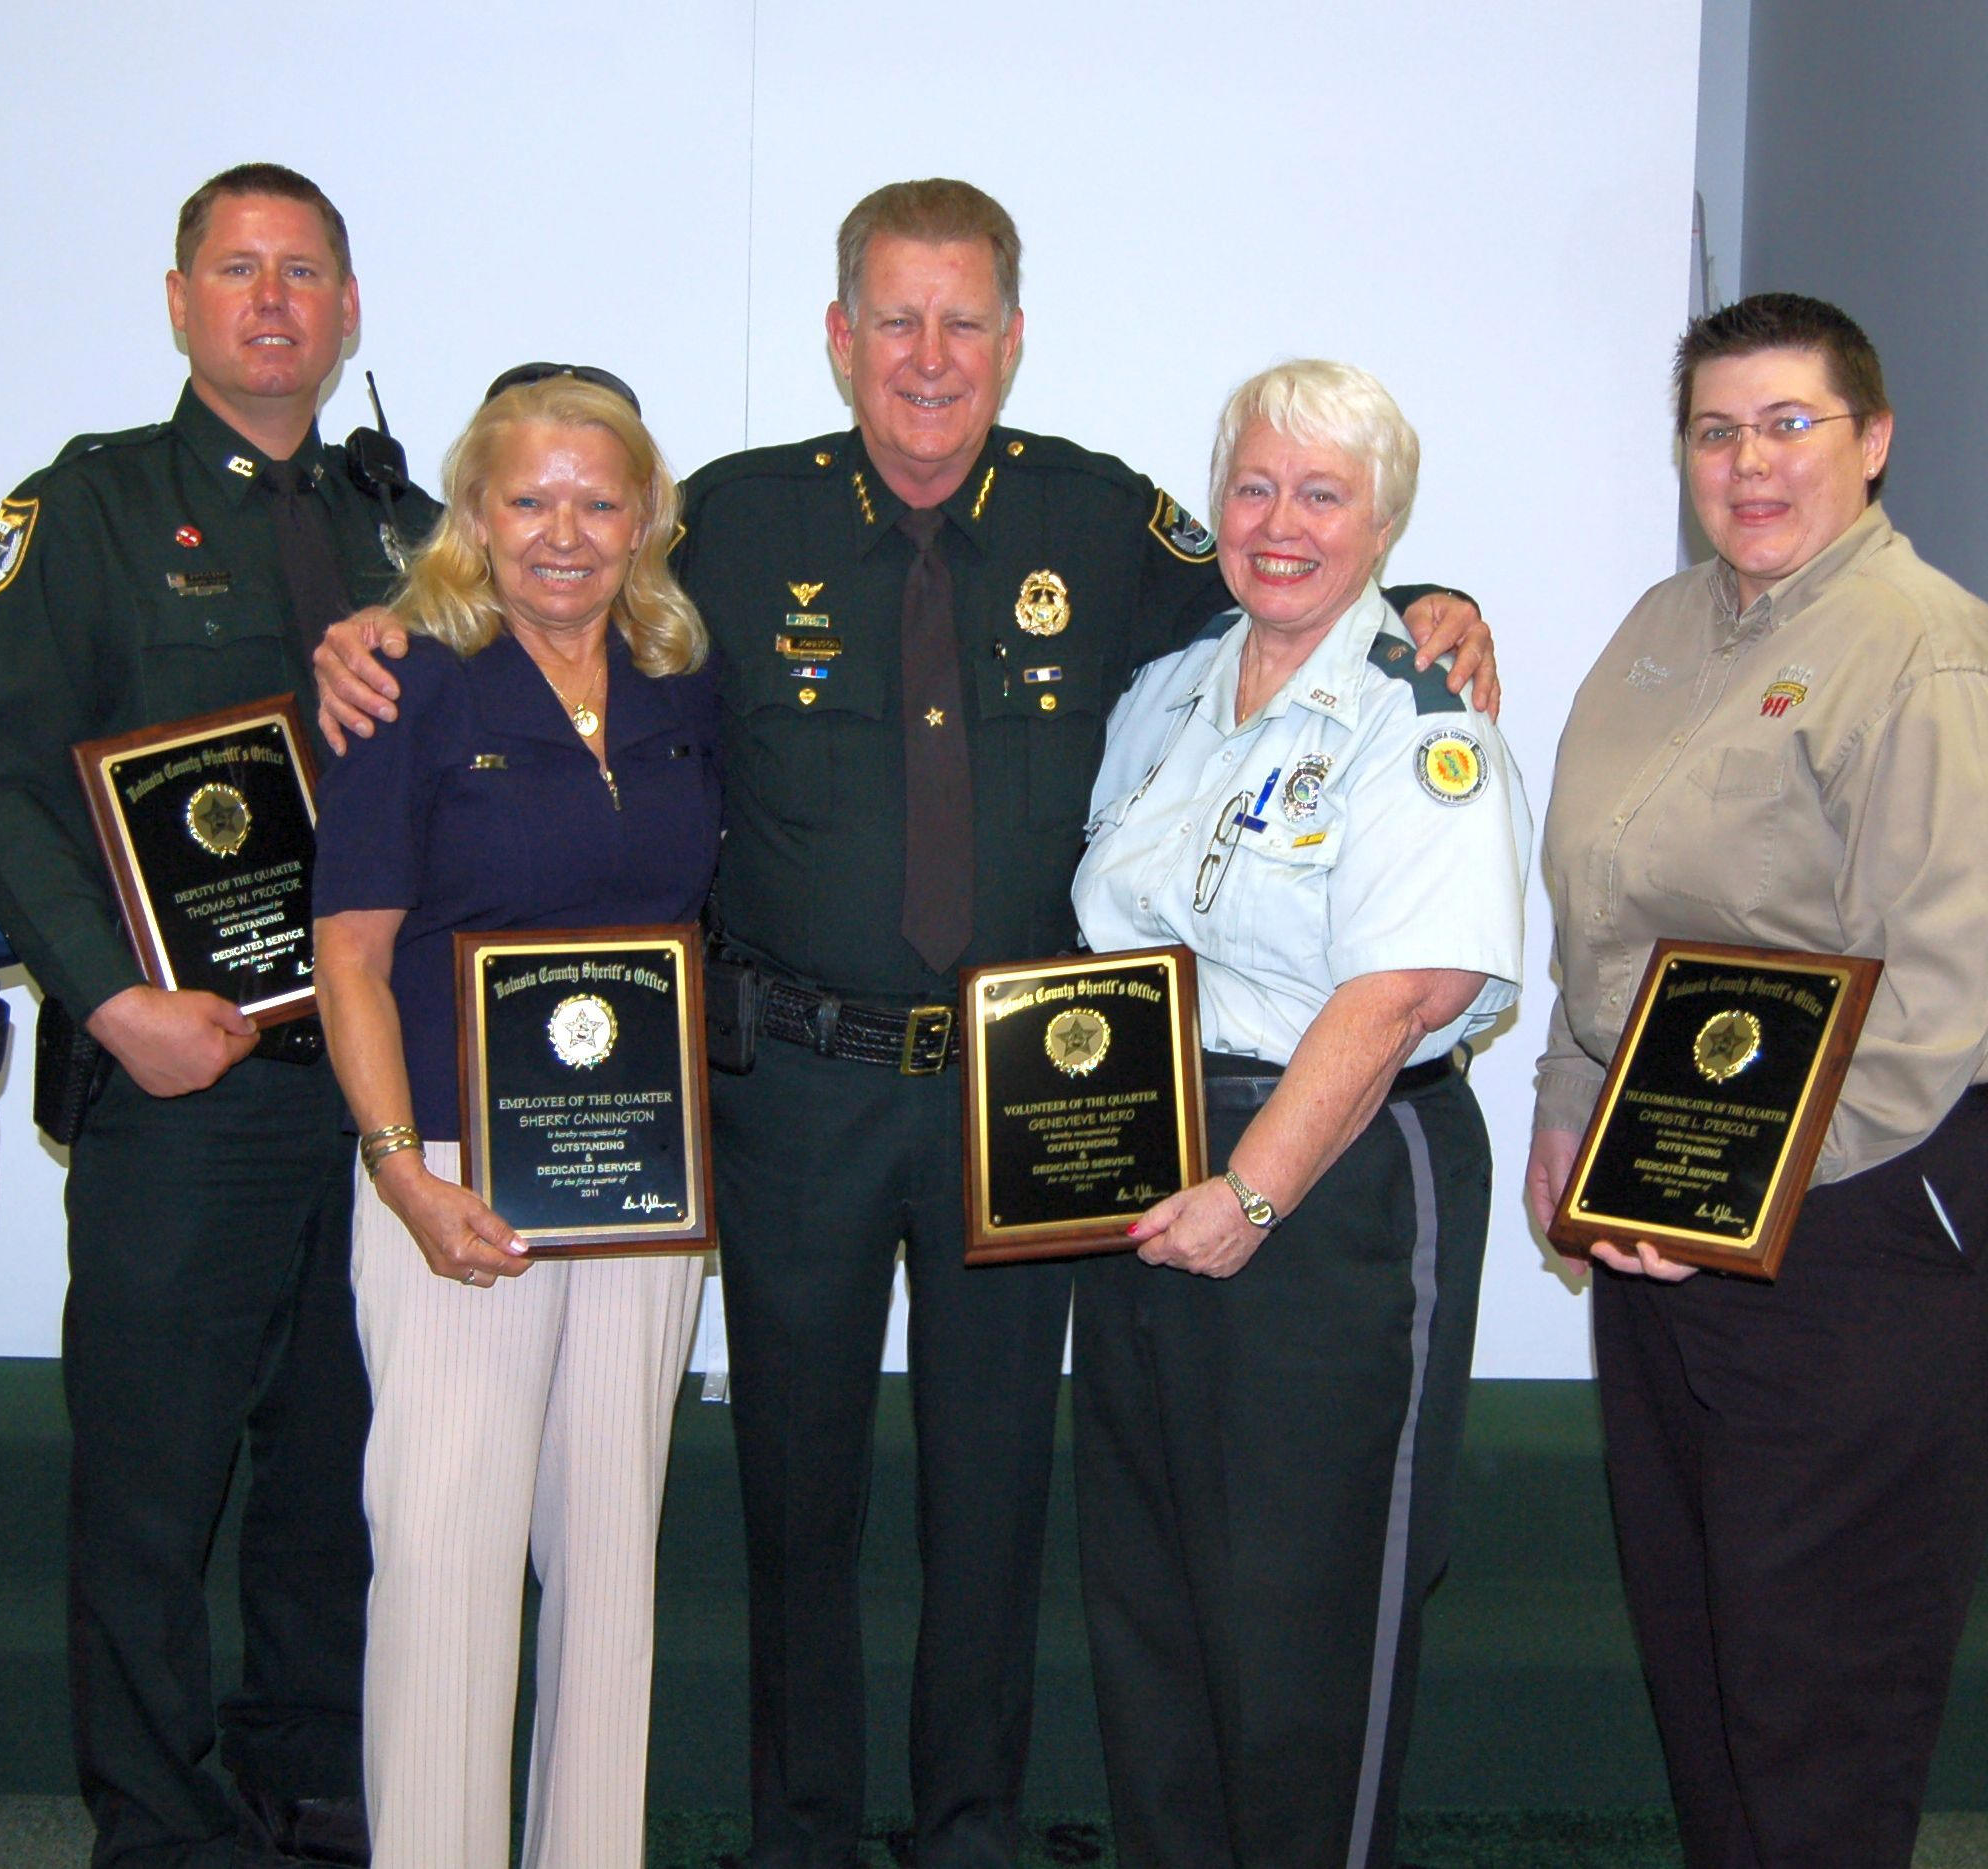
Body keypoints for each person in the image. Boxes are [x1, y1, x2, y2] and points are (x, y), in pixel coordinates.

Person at [315, 179, 1498, 1868]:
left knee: (994, 1478)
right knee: (794, 1479)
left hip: (1022, 1095)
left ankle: (969, 1822)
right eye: (893, 320)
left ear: (1011, 340)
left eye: (962, 323)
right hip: (789, 1078)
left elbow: (1289, 596)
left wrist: (1435, 601)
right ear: (836, 335)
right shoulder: (725, 523)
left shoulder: (1107, 523)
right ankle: (800, 1824)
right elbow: (544, 601)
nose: (926, 358)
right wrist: (376, 626)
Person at [1524, 293, 1988, 1868]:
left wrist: (1700, 1191)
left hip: (1885, 1195)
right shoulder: (1659, 627)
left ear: (1873, 442)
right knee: (1700, 1621)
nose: (1747, 462)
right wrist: (1572, 1117)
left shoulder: (1930, 658)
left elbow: (1935, 1016)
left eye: (1789, 424)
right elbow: (1602, 904)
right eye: (1715, 429)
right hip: (1680, 1170)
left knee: (1815, 1653)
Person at [0, 164, 439, 1869]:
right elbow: (1, 779)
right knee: (152, 1495)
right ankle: (155, 1827)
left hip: (363, 1095)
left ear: (350, 310)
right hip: (181, 1087)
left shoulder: (418, 532)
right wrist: (106, 995)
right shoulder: (83, 511)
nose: (273, 300)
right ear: (178, 303)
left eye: (305, 272)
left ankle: (307, 1789)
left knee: (328, 1477)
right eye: (237, 269)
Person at [1067, 359, 1528, 1867]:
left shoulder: (1418, 716)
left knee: (1297, 1616)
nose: (1278, 522)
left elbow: (1396, 992)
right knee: (1153, 1602)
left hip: (1330, 1181)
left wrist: (1251, 1190)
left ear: (1381, 519)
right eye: (1253, 486)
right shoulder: (1163, 692)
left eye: (1320, 494)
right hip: (1148, 1160)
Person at [311, 366, 719, 1867]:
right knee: (445, 1567)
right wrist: (397, 1171)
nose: (563, 529)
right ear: (471, 514)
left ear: (643, 518)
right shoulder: (406, 678)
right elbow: (347, 955)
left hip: (637, 1189)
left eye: (596, 499)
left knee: (611, 1573)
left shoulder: (682, 674)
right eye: (528, 496)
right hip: (451, 1180)